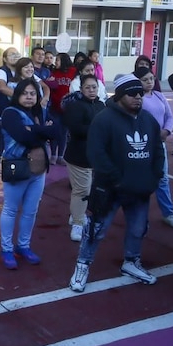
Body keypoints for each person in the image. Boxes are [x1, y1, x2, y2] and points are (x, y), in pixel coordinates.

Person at [68, 74, 165, 293]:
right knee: (96, 230)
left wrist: (154, 177)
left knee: (138, 228)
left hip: (140, 189)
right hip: (109, 190)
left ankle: (131, 261)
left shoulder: (148, 120)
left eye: (140, 93)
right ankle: (82, 265)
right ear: (120, 95)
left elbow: (158, 150)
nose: (138, 97)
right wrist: (117, 180)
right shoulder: (104, 119)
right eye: (132, 94)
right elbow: (97, 154)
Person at [0, 79, 58, 269]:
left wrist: (34, 129)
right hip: (18, 168)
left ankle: (23, 246)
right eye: (25, 93)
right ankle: (7, 249)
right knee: (10, 209)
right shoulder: (10, 113)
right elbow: (23, 137)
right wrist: (42, 131)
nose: (29, 96)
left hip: (39, 170)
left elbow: (55, 131)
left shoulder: (38, 112)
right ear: (17, 95)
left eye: (33, 93)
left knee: (31, 211)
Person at [134, 66, 173, 229]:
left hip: (159, 143)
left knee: (162, 178)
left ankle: (168, 213)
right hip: (141, 145)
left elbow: (169, 116)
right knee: (140, 180)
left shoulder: (160, 96)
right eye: (145, 79)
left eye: (151, 79)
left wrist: (166, 130)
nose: (149, 82)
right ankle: (138, 215)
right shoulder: (136, 99)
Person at [63, 74, 106, 242]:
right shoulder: (75, 106)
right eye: (87, 87)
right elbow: (75, 128)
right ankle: (78, 224)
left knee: (84, 189)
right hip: (78, 155)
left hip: (95, 156)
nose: (91, 90)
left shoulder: (102, 106)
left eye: (94, 87)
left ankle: (76, 215)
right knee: (82, 190)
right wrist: (98, 130)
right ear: (81, 89)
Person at [0, 47, 21, 192]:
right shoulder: (1, 72)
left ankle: (12, 176)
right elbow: (2, 88)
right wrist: (22, 96)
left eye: (17, 54)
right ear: (5, 58)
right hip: (1, 117)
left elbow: (42, 85)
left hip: (17, 117)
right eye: (12, 54)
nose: (15, 56)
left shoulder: (22, 71)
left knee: (15, 150)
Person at [45, 53, 75, 166]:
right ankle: (53, 155)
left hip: (68, 109)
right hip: (55, 107)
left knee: (63, 132)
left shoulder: (73, 71)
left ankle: (60, 156)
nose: (55, 62)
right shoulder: (53, 72)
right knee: (55, 130)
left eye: (57, 60)